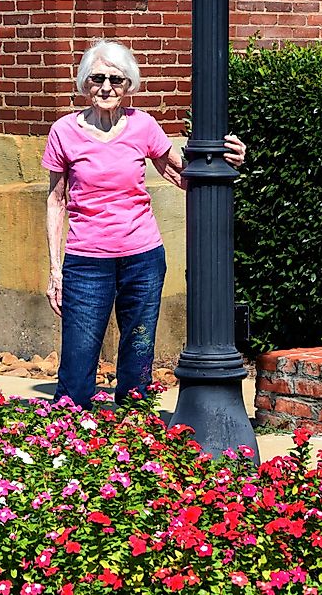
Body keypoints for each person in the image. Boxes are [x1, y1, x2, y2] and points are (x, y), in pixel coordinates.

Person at [42, 38, 246, 409]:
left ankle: (135, 427)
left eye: (116, 80)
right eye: (97, 78)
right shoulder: (64, 132)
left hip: (142, 257)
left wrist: (226, 162)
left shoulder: (143, 126)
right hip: (86, 260)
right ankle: (67, 434)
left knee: (138, 348)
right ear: (84, 82)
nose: (105, 87)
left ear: (128, 86)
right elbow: (56, 201)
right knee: (78, 356)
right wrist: (56, 271)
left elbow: (184, 176)